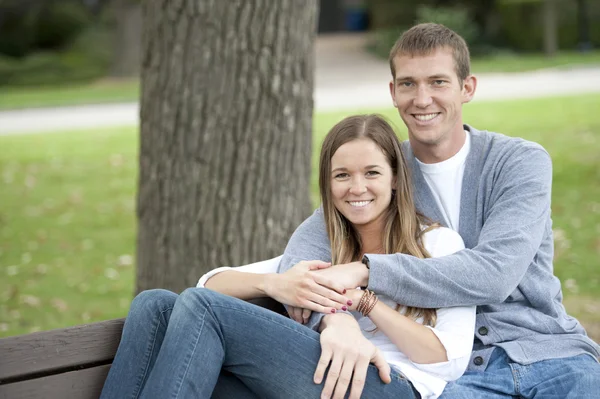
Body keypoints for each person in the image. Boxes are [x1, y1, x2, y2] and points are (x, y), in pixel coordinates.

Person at [278, 23, 600, 398]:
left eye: (438, 82)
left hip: (547, 352)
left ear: (467, 88)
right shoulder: (382, 173)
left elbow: (495, 274)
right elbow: (300, 261)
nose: (422, 98)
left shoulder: (518, 162)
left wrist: (367, 271)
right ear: (393, 93)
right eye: (408, 84)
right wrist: (332, 318)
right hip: (450, 373)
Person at [100, 114, 476, 399]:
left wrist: (362, 302)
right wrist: (275, 283)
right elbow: (208, 282)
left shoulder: (439, 246)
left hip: (388, 383)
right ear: (327, 185)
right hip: (319, 376)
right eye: (342, 175)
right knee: (155, 305)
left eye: (372, 172)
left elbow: (449, 359)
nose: (356, 187)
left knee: (203, 309)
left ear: (396, 177)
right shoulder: (326, 247)